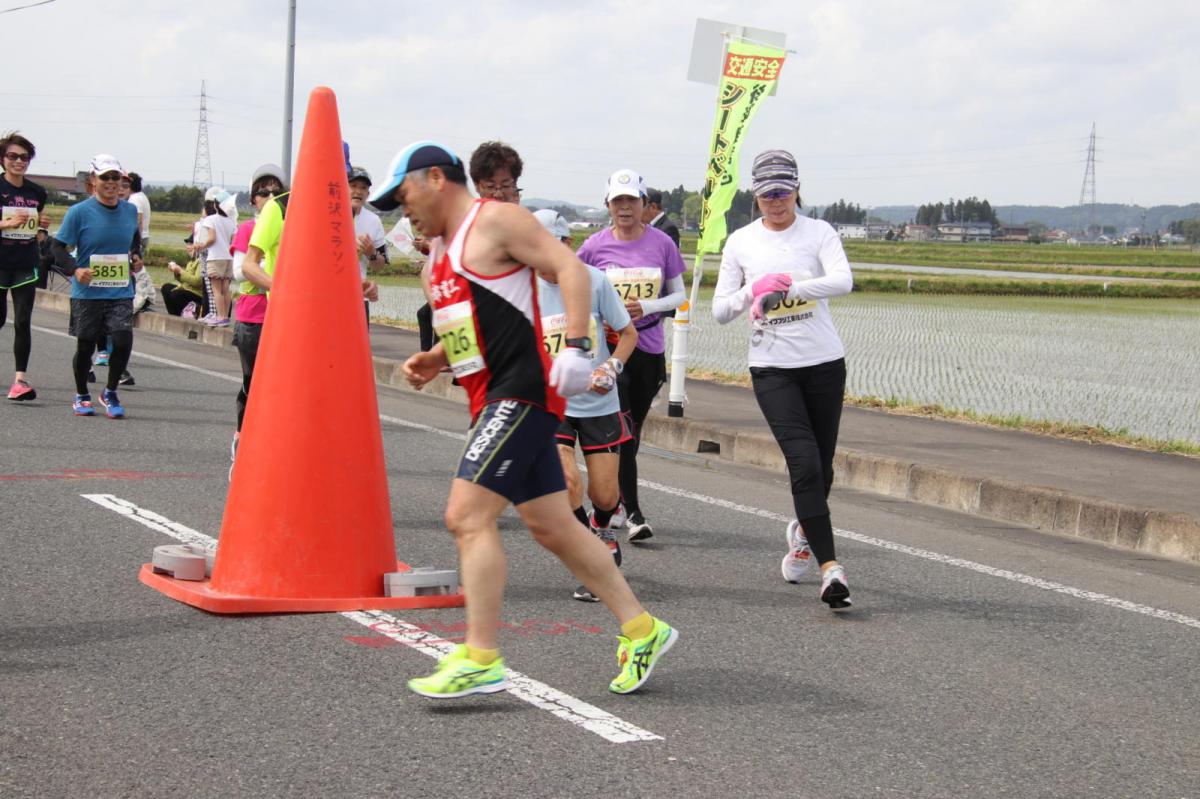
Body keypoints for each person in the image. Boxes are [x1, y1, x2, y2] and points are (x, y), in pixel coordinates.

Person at [368, 141, 676, 698]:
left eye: (403, 195)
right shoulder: (434, 260)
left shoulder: (497, 222)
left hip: (526, 392)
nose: (400, 210)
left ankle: (481, 656)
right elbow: (468, 335)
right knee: (553, 526)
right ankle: (643, 628)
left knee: (466, 517)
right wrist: (434, 359)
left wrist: (577, 347)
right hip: (490, 399)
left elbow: (570, 270)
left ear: (435, 177)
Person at [712, 148, 855, 610]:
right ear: (754, 196)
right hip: (772, 368)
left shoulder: (819, 232)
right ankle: (831, 571)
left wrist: (788, 288)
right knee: (804, 463)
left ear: (796, 189)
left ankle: (802, 534)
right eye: (765, 193)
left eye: (782, 190)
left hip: (824, 364)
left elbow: (843, 280)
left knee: (824, 467)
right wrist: (754, 290)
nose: (775, 200)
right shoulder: (741, 243)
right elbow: (718, 311)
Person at [534, 208, 639, 603]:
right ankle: (593, 555)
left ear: (567, 244)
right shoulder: (522, 287)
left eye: (549, 245)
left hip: (598, 402)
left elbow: (627, 335)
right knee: (565, 482)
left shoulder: (593, 281)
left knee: (606, 495)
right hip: (554, 402)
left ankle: (602, 524)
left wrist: (610, 368)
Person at [576, 169, 686, 543]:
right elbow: (572, 284)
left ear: (644, 205)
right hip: (611, 352)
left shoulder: (662, 244)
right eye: (617, 201)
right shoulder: (592, 246)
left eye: (631, 201)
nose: (625, 208)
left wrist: (647, 305)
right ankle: (631, 510)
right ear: (608, 205)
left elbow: (680, 296)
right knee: (621, 432)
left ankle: (614, 501)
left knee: (633, 431)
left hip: (649, 347)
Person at [51, 154, 142, 418]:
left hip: (120, 288)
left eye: (116, 177)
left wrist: (136, 257)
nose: (112, 183)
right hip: (88, 290)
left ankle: (110, 391)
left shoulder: (129, 210)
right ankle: (81, 394)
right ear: (93, 180)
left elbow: (134, 241)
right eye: (105, 177)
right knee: (86, 345)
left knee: (123, 339)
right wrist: (74, 269)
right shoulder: (78, 212)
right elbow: (57, 248)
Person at [231, 163, 287, 475]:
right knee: (253, 386)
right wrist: (268, 265)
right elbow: (240, 271)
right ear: (253, 199)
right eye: (262, 192)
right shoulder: (247, 230)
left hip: (282, 319)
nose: (269, 196)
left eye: (276, 192)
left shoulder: (291, 224)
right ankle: (242, 442)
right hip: (253, 317)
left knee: (278, 391)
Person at [0, 131, 48, 401]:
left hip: (25, 263)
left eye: (24, 157)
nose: (19, 161)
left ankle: (19, 380)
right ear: (3, 159)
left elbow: (37, 229)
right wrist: (5, 224)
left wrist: (41, 229)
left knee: (22, 321)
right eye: (13, 156)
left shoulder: (37, 192)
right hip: (0, 261)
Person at [190, 188, 236, 326]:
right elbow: (233, 241)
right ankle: (225, 316)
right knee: (225, 289)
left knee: (216, 290)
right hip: (229, 258)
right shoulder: (231, 222)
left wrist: (200, 246)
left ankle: (220, 317)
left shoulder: (211, 219)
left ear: (216, 205)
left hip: (215, 258)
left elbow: (212, 238)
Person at [348, 166, 388, 320]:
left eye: (363, 188)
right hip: (328, 295)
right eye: (353, 186)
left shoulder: (373, 220)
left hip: (359, 296)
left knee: (357, 344)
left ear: (368, 194)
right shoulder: (329, 215)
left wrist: (371, 252)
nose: (358, 191)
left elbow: (379, 266)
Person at [126, 172, 151, 257]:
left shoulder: (134, 199)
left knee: (133, 266)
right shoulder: (142, 196)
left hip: (138, 238)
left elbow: (138, 220)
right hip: (144, 236)